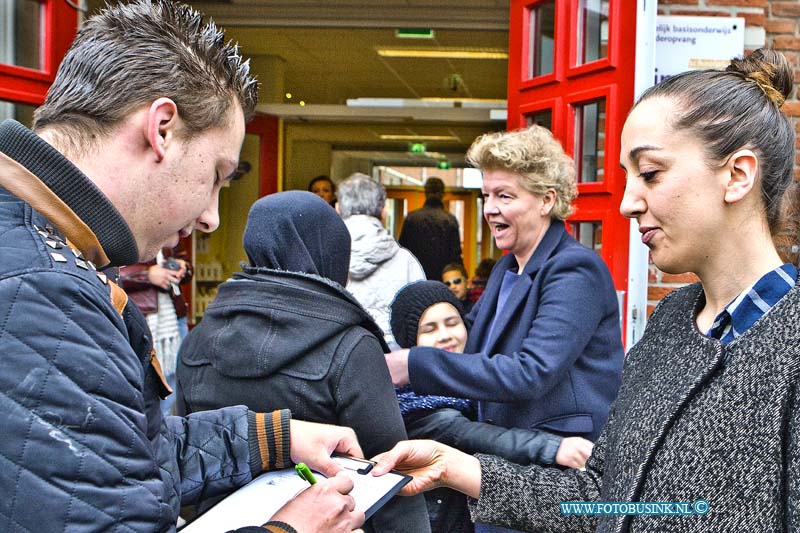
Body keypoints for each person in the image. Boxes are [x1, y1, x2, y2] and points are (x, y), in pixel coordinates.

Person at [373, 48, 799, 532]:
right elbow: (605, 500)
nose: (627, 203)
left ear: (738, 175)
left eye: (651, 173)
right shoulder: (673, 320)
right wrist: (453, 466)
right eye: (626, 178)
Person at [0, 2, 365, 531]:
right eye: (217, 175)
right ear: (163, 128)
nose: (213, 217)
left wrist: (270, 439)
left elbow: (117, 459)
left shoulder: (51, 250)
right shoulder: (43, 291)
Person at [386, 124, 625, 533]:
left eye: (505, 196)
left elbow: (531, 372)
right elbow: (469, 343)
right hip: (505, 464)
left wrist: (413, 364)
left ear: (548, 200)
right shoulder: (507, 267)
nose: (490, 209)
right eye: (486, 196)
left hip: (560, 469)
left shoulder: (573, 269)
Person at [177, 191, 430, 532]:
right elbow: (389, 472)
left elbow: (183, 453)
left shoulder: (198, 339)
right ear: (332, 251)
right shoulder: (351, 344)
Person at [389, 280, 594, 533]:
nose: (445, 335)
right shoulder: (416, 402)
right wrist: (554, 447)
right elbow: (472, 434)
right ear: (411, 342)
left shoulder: (471, 378)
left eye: (452, 323)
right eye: (429, 329)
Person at [338, 172, 425, 348]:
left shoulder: (323, 258)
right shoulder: (406, 261)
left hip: (339, 361)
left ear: (337, 209)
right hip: (395, 363)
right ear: (384, 211)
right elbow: (422, 318)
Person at [120, 244, 192, 415]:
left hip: (173, 317)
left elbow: (184, 259)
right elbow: (106, 270)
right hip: (141, 317)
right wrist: (147, 275)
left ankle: (161, 430)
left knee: (175, 379)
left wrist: (183, 267)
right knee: (143, 383)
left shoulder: (170, 229)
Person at [399, 176, 463, 280]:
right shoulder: (450, 220)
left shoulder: (411, 219)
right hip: (442, 280)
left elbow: (402, 252)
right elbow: (455, 256)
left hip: (415, 278)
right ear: (442, 194)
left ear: (425, 192)